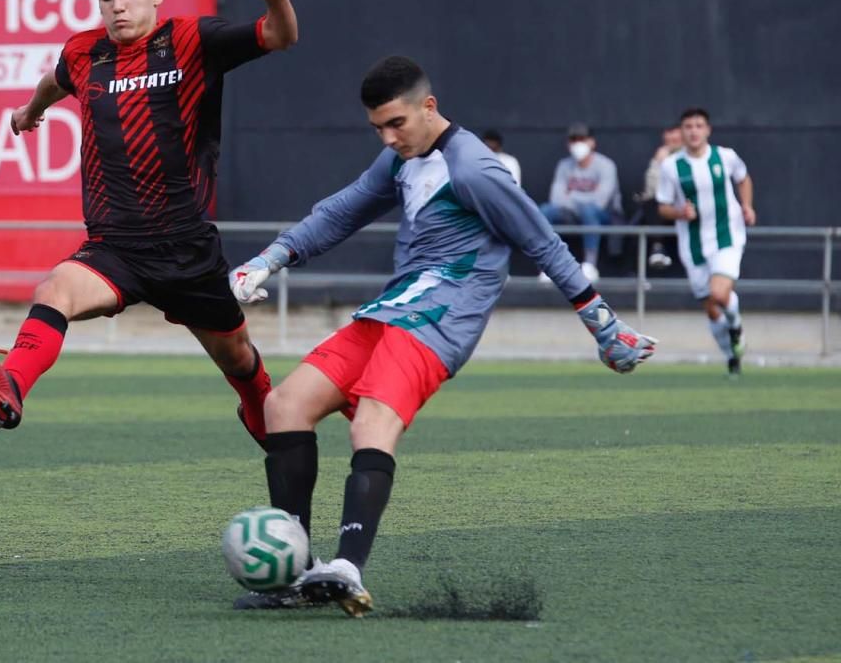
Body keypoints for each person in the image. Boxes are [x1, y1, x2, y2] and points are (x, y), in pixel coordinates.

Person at [227, 56, 656, 616]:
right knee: (285, 404)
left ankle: (348, 568)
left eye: (395, 124)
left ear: (429, 106)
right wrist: (270, 258)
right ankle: (297, 573)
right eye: (377, 127)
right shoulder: (401, 158)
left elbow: (543, 243)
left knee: (373, 420)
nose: (387, 137)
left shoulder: (476, 170)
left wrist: (603, 326)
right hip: (390, 309)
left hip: (440, 321)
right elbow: (341, 212)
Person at [0, 0, 298, 442]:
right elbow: (56, 78)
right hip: (115, 248)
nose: (118, 6)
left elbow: (281, 36)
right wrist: (32, 110)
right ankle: (11, 385)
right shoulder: (84, 51)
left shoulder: (192, 40)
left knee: (238, 356)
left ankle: (258, 407)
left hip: (186, 250)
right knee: (54, 290)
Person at [657, 107, 755, 377]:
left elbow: (743, 178)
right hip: (693, 245)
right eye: (688, 126)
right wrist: (680, 212)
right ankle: (731, 358)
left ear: (708, 130)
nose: (693, 131)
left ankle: (736, 327)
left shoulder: (725, 157)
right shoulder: (670, 166)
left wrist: (747, 206)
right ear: (681, 132)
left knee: (720, 294)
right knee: (711, 308)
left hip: (727, 236)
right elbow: (662, 206)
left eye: (699, 125)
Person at [538, 123, 621, 283]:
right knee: (545, 211)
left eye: (582, 139)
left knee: (589, 210)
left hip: (605, 215)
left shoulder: (606, 165)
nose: (578, 144)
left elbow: (601, 201)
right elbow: (556, 198)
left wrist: (571, 195)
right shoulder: (564, 165)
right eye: (574, 140)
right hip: (572, 214)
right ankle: (547, 265)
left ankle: (590, 264)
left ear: (592, 142)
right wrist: (584, 197)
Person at [635, 125, 683, 270]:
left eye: (676, 133)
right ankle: (657, 248)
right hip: (664, 209)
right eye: (669, 133)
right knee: (650, 203)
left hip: (686, 205)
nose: (673, 138)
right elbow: (651, 190)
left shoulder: (689, 156)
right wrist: (658, 163)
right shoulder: (660, 157)